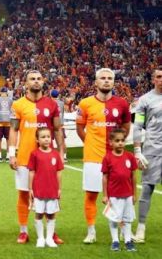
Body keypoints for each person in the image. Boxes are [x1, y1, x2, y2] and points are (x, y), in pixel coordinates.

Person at [8, 70, 64, 244]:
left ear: (43, 82)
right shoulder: (18, 104)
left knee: (50, 195)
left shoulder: (52, 104)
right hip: (24, 157)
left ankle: (51, 232)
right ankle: (23, 231)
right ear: (26, 83)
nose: (36, 81)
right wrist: (11, 154)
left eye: (39, 79)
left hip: (47, 159)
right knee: (24, 194)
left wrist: (61, 152)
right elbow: (13, 130)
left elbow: (57, 129)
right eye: (32, 79)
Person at [76, 68, 131, 244]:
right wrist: (90, 143)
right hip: (93, 157)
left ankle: (123, 230)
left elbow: (126, 127)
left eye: (109, 78)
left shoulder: (122, 103)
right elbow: (80, 128)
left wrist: (117, 146)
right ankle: (91, 232)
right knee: (91, 195)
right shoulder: (85, 103)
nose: (106, 81)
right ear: (96, 82)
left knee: (120, 196)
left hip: (116, 157)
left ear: (113, 82)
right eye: (102, 78)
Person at [132, 67, 162, 244]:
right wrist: (137, 151)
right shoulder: (145, 100)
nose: (161, 79)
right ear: (153, 79)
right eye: (159, 76)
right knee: (147, 188)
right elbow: (137, 126)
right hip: (153, 150)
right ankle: (141, 228)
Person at [102, 128, 138, 252]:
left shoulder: (130, 156)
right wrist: (105, 195)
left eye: (122, 140)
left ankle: (128, 241)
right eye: (117, 141)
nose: (120, 143)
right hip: (114, 195)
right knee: (113, 219)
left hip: (128, 195)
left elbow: (133, 176)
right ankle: (115, 241)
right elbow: (105, 177)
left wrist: (134, 194)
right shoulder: (107, 158)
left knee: (127, 219)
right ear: (111, 142)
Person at [28, 127, 64, 248]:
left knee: (51, 214)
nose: (46, 139)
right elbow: (31, 172)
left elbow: (59, 173)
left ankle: (49, 238)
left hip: (52, 191)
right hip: (38, 191)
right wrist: (30, 189)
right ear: (37, 140)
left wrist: (59, 189)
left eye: (48, 136)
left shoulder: (55, 154)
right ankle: (40, 238)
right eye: (43, 137)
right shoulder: (34, 154)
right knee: (39, 214)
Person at [0, 87, 13, 162]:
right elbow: (13, 110)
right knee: (8, 140)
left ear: (0, 92)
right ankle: (7, 157)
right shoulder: (10, 100)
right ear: (7, 92)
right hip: (8, 122)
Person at [50, 90, 68, 161]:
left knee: (48, 140)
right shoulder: (62, 103)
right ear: (58, 95)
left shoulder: (50, 102)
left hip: (52, 123)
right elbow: (62, 112)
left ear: (51, 95)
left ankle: (49, 156)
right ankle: (64, 156)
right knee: (62, 141)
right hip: (60, 123)